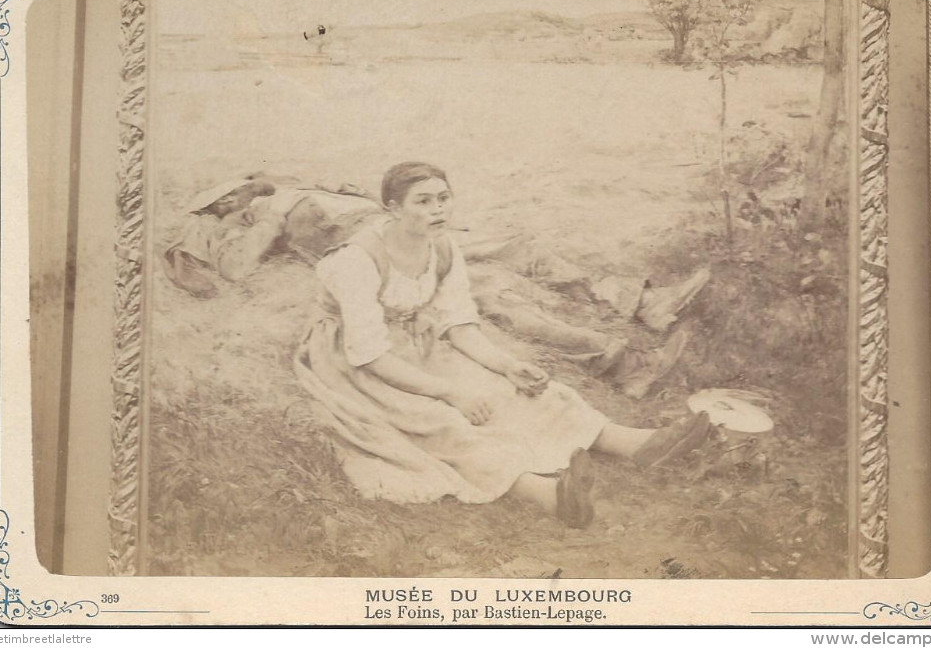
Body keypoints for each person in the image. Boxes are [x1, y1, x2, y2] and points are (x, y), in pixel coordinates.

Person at [292, 162, 709, 527]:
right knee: (435, 418)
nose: (437, 209)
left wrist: (505, 365)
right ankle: (546, 495)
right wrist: (448, 391)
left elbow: (458, 323)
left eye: (443, 198)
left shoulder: (443, 246)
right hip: (358, 361)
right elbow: (369, 352)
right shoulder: (357, 260)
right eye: (422, 201)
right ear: (392, 208)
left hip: (415, 342)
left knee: (509, 390)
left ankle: (631, 442)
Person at [163, 172, 710, 398]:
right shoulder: (268, 211)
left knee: (512, 255)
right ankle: (626, 355)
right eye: (225, 204)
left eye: (229, 200)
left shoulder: (299, 191)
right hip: (390, 245)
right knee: (494, 286)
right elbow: (237, 270)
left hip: (403, 230)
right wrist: (220, 234)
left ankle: (638, 307)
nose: (234, 203)